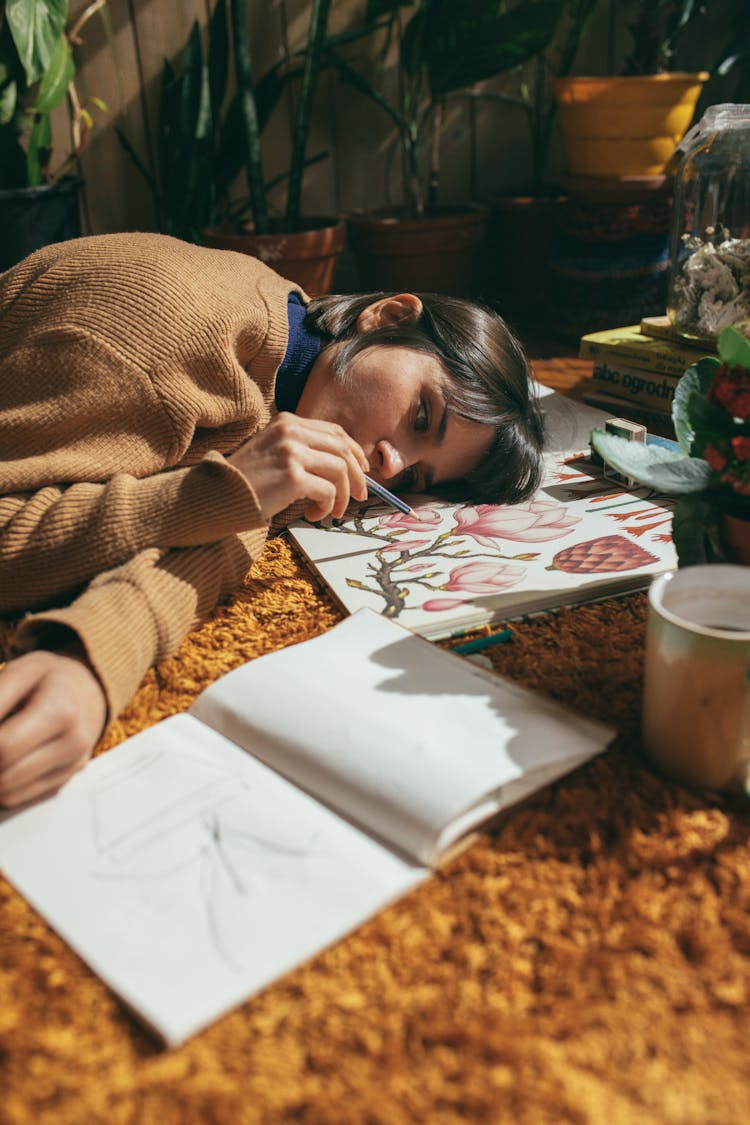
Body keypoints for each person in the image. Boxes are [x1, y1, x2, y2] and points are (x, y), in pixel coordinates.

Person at [0, 231, 544, 807]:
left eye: (414, 478)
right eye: (421, 414)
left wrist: (89, 657)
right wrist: (211, 494)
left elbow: (224, 532)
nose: (392, 464)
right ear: (386, 317)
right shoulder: (160, 342)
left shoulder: (306, 379)